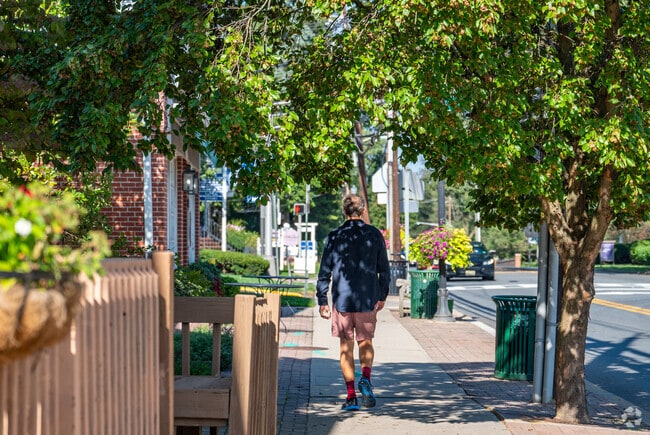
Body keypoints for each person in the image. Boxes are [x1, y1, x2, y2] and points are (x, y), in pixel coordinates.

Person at [316, 193, 391, 411]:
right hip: (368, 298)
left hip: (342, 300)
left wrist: (322, 299)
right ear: (363, 210)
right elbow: (383, 270)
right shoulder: (374, 234)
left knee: (345, 348)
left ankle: (351, 397)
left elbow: (325, 271)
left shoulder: (334, 236)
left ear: (344, 212)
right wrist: (382, 295)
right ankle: (365, 378)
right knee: (366, 342)